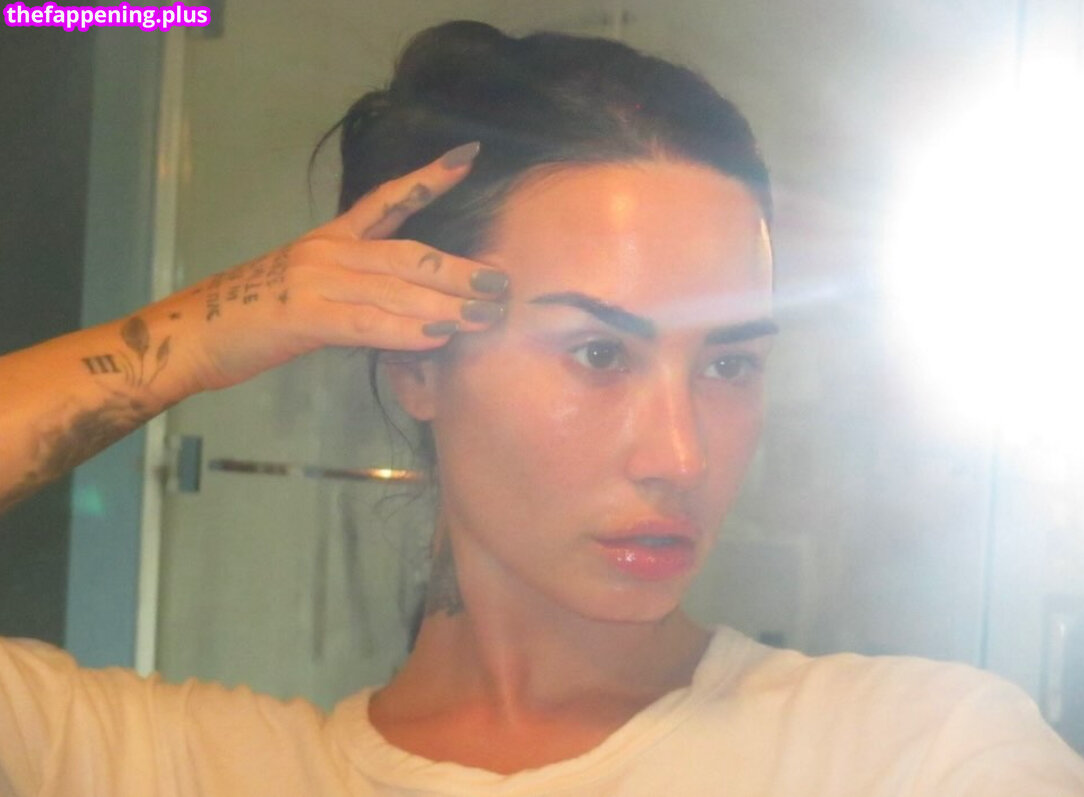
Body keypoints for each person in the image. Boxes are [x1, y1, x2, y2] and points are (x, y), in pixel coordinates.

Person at [1, 19, 1082, 797]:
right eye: (599, 352)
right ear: (416, 363)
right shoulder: (161, 766)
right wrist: (198, 332)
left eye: (728, 365)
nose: (680, 455)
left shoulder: (919, 753)